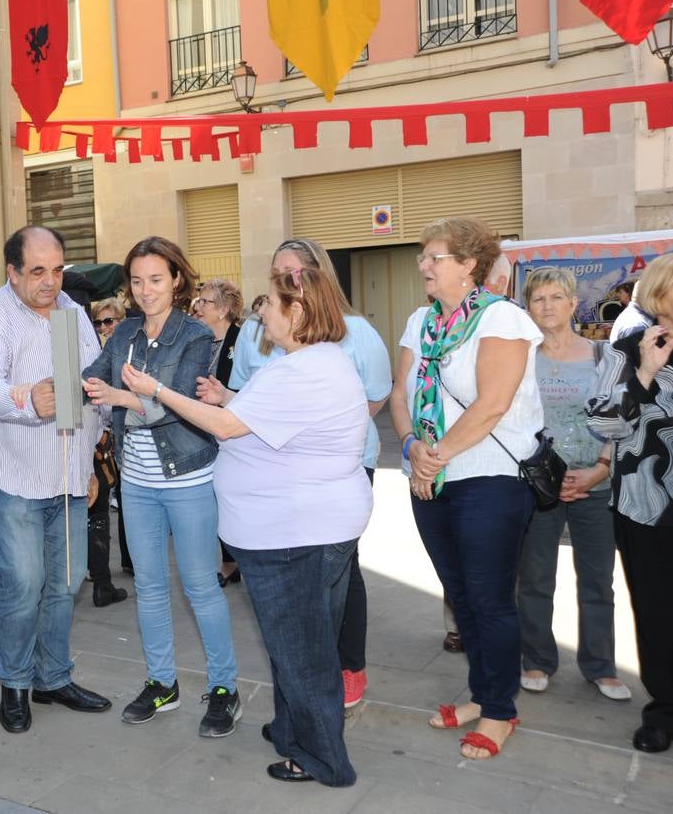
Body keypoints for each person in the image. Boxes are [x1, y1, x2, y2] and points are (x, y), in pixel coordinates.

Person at [125, 266, 370, 786]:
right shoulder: (312, 363)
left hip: (295, 534)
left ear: (298, 312)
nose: (261, 311)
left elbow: (227, 429)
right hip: (306, 528)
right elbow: (265, 420)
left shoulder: (303, 369)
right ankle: (293, 730)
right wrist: (229, 398)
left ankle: (322, 758)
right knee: (297, 646)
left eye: (270, 302)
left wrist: (159, 391)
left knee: (302, 653)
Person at [389, 217, 543, 761]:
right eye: (423, 257)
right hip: (430, 475)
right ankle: (485, 694)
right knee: (462, 595)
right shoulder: (420, 321)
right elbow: (400, 393)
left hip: (490, 480)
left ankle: (500, 710)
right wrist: (411, 449)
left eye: (434, 257)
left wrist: (436, 458)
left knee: (489, 598)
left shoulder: (503, 318)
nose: (423, 266)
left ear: (468, 264)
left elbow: (493, 403)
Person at [217, 239, 391, 705]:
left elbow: (373, 397)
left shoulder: (354, 332)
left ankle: (349, 667)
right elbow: (242, 396)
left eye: (294, 272)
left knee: (342, 573)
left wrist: (318, 431)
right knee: (293, 600)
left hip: (336, 465)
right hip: (271, 478)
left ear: (317, 277)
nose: (285, 280)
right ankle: (305, 690)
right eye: (277, 273)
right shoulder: (259, 328)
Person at [82, 238, 240, 738]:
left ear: (176, 279)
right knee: (148, 587)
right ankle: (161, 682)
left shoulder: (195, 335)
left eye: (156, 279)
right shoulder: (123, 332)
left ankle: (224, 688)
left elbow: (177, 407)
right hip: (138, 481)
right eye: (136, 280)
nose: (146, 290)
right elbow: (91, 380)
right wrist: (60, 383)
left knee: (200, 586)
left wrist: (122, 397)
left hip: (188, 477)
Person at [0, 225, 110, 734]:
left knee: (66, 582)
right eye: (38, 272)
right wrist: (28, 399)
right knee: (23, 582)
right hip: (14, 479)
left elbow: (88, 386)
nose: (50, 282)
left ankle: (53, 677)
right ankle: (14, 683)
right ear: (12, 272)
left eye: (57, 270)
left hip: (68, 476)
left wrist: (91, 460)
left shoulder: (72, 314)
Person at [586, 253, 673, 754]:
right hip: (650, 507)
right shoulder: (625, 349)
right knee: (663, 616)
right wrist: (643, 373)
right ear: (660, 297)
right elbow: (603, 424)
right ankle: (667, 713)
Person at [516, 267, 630, 701]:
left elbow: (622, 421)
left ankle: (601, 666)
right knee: (535, 578)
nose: (547, 305)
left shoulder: (604, 356)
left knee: (598, 580)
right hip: (541, 486)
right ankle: (538, 660)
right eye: (537, 298)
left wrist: (601, 468)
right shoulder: (523, 357)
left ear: (571, 303)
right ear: (529, 307)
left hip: (596, 480)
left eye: (555, 297)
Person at [88, 296, 131, 606]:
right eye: (100, 322)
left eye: (110, 321)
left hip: (125, 441)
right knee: (99, 511)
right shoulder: (99, 353)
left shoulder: (127, 354)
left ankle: (112, 571)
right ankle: (101, 579)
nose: (105, 327)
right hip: (100, 443)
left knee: (113, 510)